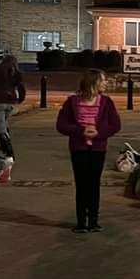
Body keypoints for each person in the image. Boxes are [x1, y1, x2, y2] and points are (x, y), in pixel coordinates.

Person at [55, 69, 122, 233]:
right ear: (93, 83)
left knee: (94, 183)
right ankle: (81, 221)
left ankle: (93, 220)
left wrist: (99, 132)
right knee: (82, 183)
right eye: (103, 80)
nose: (106, 83)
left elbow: (115, 125)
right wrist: (80, 131)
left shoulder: (106, 102)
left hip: (98, 148)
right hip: (79, 148)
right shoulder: (72, 102)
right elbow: (61, 125)